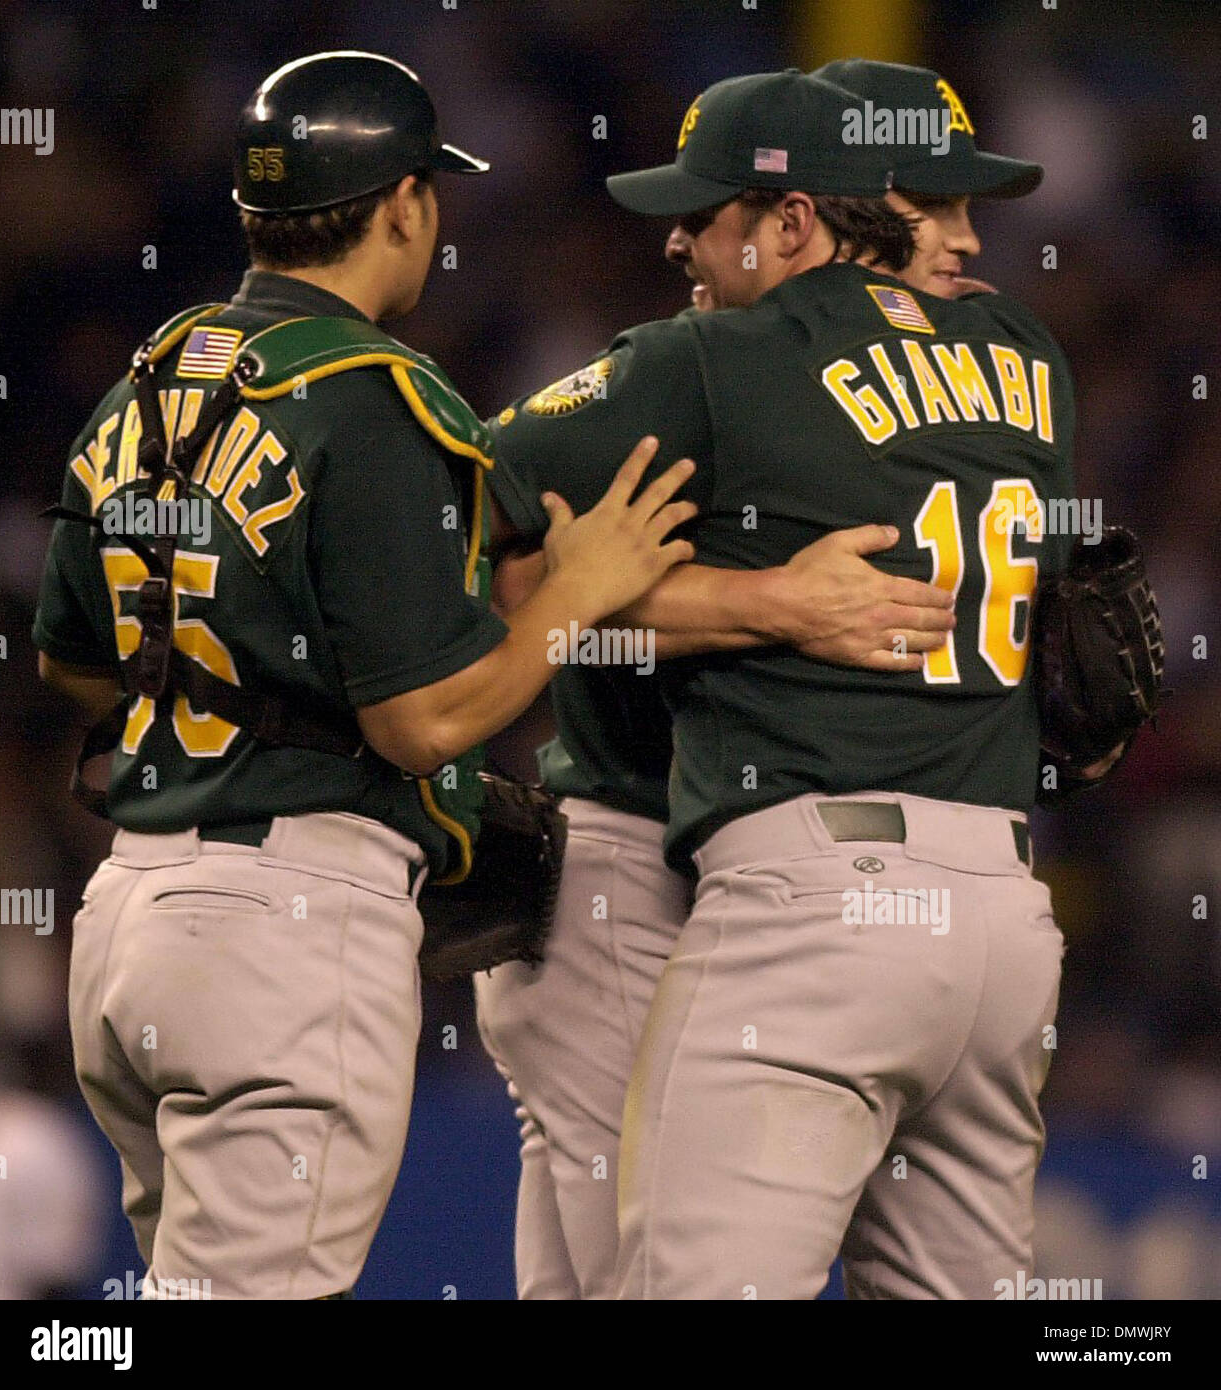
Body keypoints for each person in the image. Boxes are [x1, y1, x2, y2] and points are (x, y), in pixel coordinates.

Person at [31, 50, 694, 1301]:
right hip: (280, 930)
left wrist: (233, 685)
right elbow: (425, 722)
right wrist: (577, 592)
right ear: (402, 203)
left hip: (126, 920)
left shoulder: (145, 383)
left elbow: (75, 662)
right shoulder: (375, 399)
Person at [474, 64, 1048, 1299]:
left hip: (779, 887)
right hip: (637, 870)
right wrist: (762, 603)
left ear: (798, 218)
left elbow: (458, 509)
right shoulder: (1017, 352)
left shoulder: (720, 366)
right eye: (938, 208)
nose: (964, 236)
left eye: (711, 207)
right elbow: (492, 570)